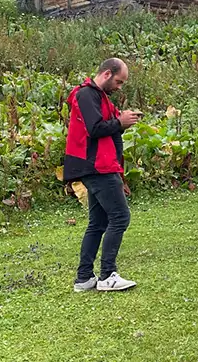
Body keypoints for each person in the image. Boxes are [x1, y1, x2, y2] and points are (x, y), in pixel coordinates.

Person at [66, 58, 142, 292]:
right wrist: (120, 122)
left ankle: (84, 278)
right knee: (120, 217)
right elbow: (95, 128)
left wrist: (122, 121)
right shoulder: (86, 94)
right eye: (119, 81)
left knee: (98, 222)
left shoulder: (99, 97)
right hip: (97, 166)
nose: (119, 87)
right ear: (107, 74)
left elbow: (107, 128)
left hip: (99, 165)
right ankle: (108, 275)